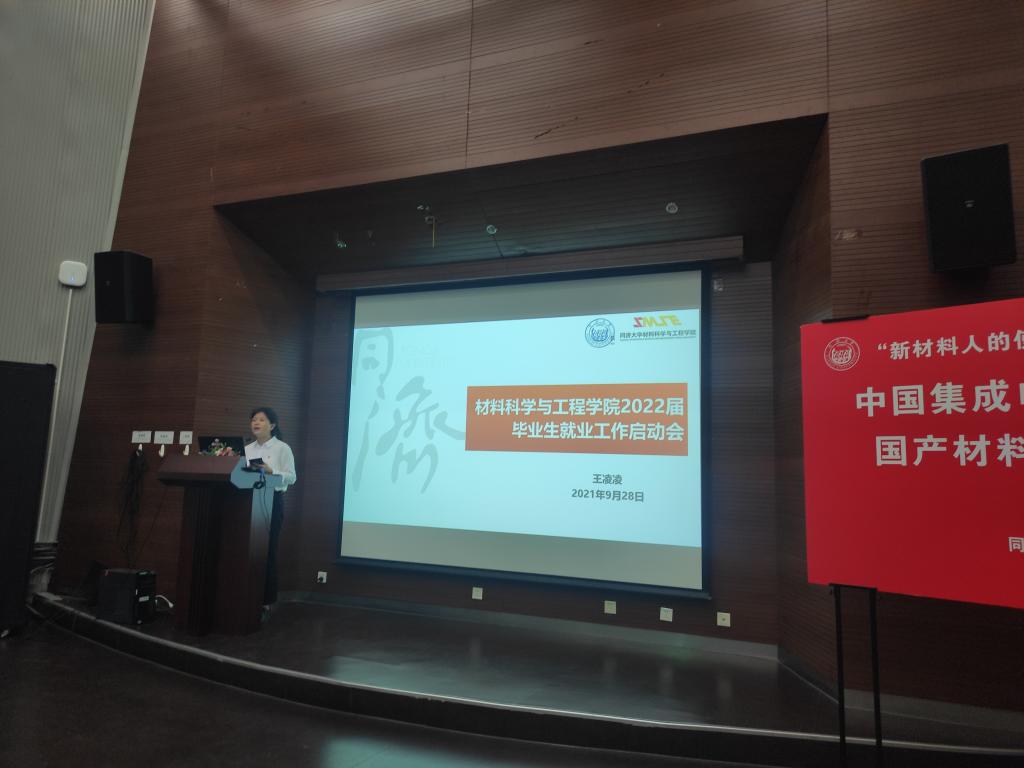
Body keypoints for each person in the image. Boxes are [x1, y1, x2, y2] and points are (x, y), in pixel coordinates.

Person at [245, 407, 296, 621]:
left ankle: (265, 601)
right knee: (247, 551)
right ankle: (245, 596)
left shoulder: (282, 448)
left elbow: (292, 477)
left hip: (272, 502)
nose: (256, 423)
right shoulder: (247, 448)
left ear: (272, 425)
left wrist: (271, 471)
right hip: (248, 502)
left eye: (261, 420)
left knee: (267, 551)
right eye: (253, 420)